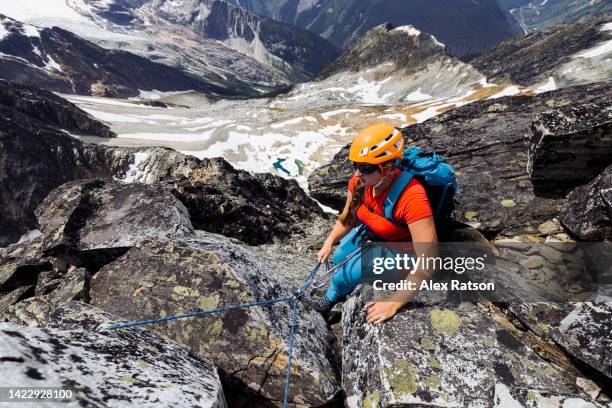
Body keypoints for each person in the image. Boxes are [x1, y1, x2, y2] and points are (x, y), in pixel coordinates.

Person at [311, 123, 438, 324]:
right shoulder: (361, 183)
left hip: (405, 252)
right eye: (356, 166)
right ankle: (333, 296)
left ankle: (335, 294)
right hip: (377, 234)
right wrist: (330, 241)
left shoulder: (412, 197)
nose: (357, 173)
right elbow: (348, 218)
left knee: (353, 271)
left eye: (366, 168)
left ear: (388, 168)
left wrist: (394, 302)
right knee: (340, 256)